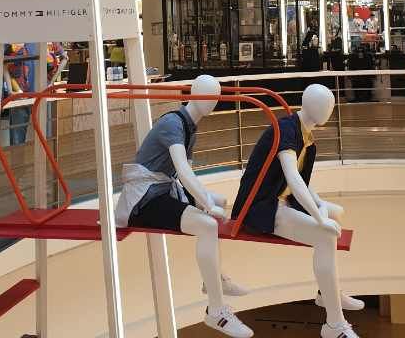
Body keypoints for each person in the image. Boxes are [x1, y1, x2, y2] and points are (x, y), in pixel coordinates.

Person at [115, 75, 252, 337]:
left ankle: (215, 278)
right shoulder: (173, 124)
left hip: (162, 189)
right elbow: (183, 171)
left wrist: (209, 201)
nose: (213, 102)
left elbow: (184, 175)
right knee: (207, 224)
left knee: (219, 203)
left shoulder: (189, 127)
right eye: (209, 96)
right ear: (195, 95)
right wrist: (206, 205)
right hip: (144, 200)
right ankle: (216, 311)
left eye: (216, 97)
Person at [231, 85, 363, 338]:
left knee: (336, 213)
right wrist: (318, 217)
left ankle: (328, 293)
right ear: (314, 106)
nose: (331, 110)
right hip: (261, 207)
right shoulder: (287, 129)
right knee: (325, 235)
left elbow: (302, 183)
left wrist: (320, 205)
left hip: (283, 200)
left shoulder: (307, 139)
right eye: (327, 105)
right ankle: (334, 324)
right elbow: (292, 177)